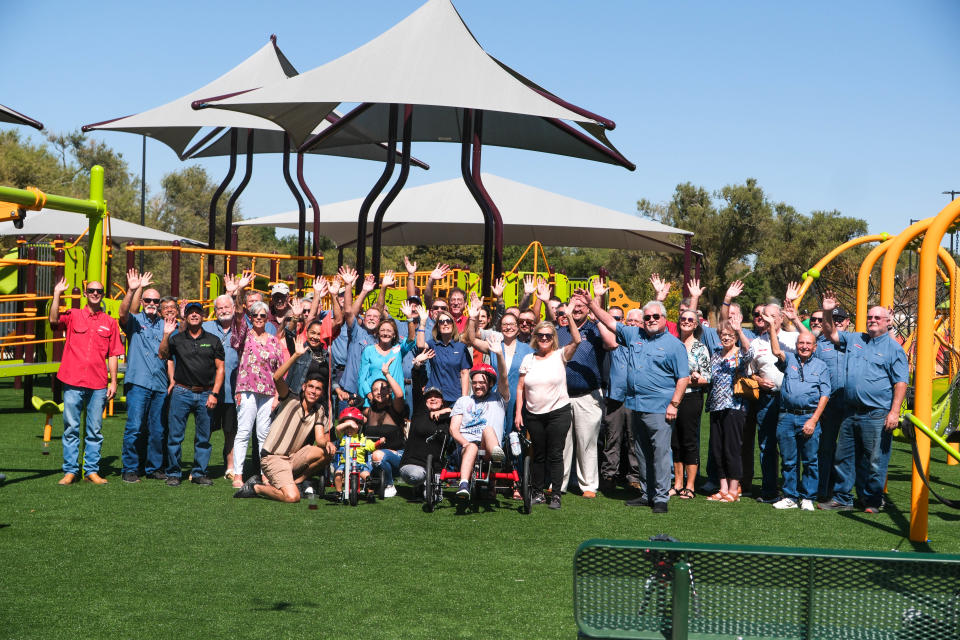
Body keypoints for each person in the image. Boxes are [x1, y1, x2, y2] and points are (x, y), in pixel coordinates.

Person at [585, 294, 690, 514]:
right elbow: (610, 322)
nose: (651, 319)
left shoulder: (674, 345)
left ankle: (661, 497)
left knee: (660, 454)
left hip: (660, 409)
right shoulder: (635, 334)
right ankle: (646, 493)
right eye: (647, 316)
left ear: (664, 318)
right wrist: (593, 305)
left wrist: (674, 404)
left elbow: (683, 378)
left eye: (655, 316)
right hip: (635, 405)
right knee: (641, 452)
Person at [818, 292, 908, 513]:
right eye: (870, 317)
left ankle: (872, 500)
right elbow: (829, 332)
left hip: (876, 413)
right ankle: (842, 497)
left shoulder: (894, 348)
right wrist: (828, 311)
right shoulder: (856, 339)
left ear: (888, 322)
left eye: (878, 317)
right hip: (850, 411)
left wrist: (894, 412)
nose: (873, 320)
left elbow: (901, 383)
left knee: (875, 460)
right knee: (844, 457)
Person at [723, 280, 802, 503]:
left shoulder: (793, 338)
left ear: (780, 318)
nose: (765, 319)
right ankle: (769, 490)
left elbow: (812, 339)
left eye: (770, 316)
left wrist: (793, 314)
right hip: (767, 399)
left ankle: (791, 492)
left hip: (789, 399)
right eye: (762, 315)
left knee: (789, 446)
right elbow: (749, 371)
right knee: (766, 445)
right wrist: (759, 379)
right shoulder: (757, 342)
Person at [234, 337, 336, 502]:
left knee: (326, 452)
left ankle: (298, 481)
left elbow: (319, 438)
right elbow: (277, 377)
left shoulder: (319, 411)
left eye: (318, 389)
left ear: (321, 393)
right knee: (292, 497)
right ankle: (256, 486)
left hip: (292, 458)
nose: (313, 391)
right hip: (273, 457)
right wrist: (296, 356)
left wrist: (327, 443)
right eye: (310, 387)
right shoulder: (290, 399)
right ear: (304, 387)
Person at [50, 277, 123, 485]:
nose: (95, 293)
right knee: (71, 427)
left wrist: (114, 382)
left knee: (95, 430)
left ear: (103, 295)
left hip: (98, 383)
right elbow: (54, 320)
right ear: (85, 293)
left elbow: (113, 354)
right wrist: (57, 294)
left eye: (99, 291)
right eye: (91, 290)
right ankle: (70, 471)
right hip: (72, 380)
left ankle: (91, 470)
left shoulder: (110, 322)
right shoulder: (73, 315)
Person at [550, 283, 616, 498]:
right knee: (562, 442)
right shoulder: (558, 331)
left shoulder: (595, 329)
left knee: (587, 442)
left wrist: (596, 310)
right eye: (573, 306)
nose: (577, 309)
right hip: (560, 396)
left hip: (588, 395)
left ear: (588, 308)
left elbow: (611, 343)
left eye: (581, 306)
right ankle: (559, 482)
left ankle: (588, 485)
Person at [515, 307, 582, 510]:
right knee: (538, 455)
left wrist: (569, 316)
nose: (544, 338)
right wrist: (519, 412)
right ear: (535, 337)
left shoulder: (560, 355)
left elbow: (577, 340)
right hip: (534, 414)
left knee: (555, 453)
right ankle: (537, 492)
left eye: (548, 336)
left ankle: (555, 495)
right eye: (541, 335)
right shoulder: (528, 358)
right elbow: (520, 389)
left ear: (553, 338)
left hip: (558, 413)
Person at [769, 303, 831, 511]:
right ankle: (789, 496)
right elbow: (776, 350)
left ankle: (807, 497)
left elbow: (825, 395)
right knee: (788, 460)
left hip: (808, 417)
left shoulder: (821, 366)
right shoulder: (791, 360)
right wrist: (772, 325)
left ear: (814, 347)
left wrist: (813, 420)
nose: (804, 346)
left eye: (808, 344)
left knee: (810, 460)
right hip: (787, 417)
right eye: (801, 343)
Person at [159, 302, 225, 486]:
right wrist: (166, 335)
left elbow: (221, 369)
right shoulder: (177, 339)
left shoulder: (213, 340)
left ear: (203, 316)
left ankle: (199, 473)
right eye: (191, 313)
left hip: (205, 393)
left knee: (204, 437)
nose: (194, 315)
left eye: (198, 312)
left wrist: (215, 393)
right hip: (181, 392)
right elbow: (164, 355)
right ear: (186, 317)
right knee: (175, 436)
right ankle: (173, 473)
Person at [231, 297, 288, 488]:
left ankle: (265, 474)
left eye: (262, 315)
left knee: (264, 434)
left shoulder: (274, 341)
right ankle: (238, 474)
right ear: (251, 316)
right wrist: (238, 293)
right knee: (244, 431)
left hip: (269, 392)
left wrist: (278, 396)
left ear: (266, 318)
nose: (258, 318)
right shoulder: (244, 336)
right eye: (255, 315)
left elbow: (281, 371)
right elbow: (238, 318)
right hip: (247, 389)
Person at [118, 269, 168, 483]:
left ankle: (154, 467)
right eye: (147, 299)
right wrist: (132, 289)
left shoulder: (166, 324)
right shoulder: (134, 321)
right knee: (135, 427)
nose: (151, 303)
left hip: (159, 384)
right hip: (137, 383)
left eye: (155, 301)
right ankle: (130, 468)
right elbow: (123, 312)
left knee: (157, 430)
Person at [450, 354, 510, 500]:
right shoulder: (463, 401)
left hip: (488, 446)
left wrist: (499, 354)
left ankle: (496, 460)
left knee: (488, 429)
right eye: (474, 382)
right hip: (466, 446)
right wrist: (465, 443)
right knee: (472, 447)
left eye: (481, 382)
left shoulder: (499, 398)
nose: (477, 386)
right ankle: (463, 484)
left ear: (490, 383)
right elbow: (453, 429)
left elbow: (503, 377)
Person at [704, 323, 752, 502]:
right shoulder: (716, 355)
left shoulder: (740, 354)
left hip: (734, 406)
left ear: (736, 337)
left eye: (729, 335)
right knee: (718, 449)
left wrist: (739, 329)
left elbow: (750, 352)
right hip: (716, 407)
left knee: (732, 449)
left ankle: (734, 489)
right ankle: (723, 487)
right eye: (723, 334)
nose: (726, 337)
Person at [398, 350, 450, 498]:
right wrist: (417, 365)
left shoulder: (447, 417)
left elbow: (464, 410)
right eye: (429, 397)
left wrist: (444, 411)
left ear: (442, 401)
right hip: (414, 464)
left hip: (436, 468)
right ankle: (420, 484)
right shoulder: (420, 412)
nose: (433, 399)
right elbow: (416, 387)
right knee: (417, 476)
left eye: (437, 397)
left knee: (435, 497)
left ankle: (428, 485)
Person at [600, 306, 641, 493]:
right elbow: (605, 330)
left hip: (636, 398)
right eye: (629, 320)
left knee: (634, 439)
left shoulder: (643, 344)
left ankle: (635, 476)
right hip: (615, 398)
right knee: (613, 438)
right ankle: (609, 474)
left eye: (636, 321)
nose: (632, 324)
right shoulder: (616, 341)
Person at [672, 308, 711, 499]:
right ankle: (677, 483)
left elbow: (707, 378)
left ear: (696, 325)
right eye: (683, 319)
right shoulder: (673, 344)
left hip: (691, 397)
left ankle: (690, 485)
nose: (686, 321)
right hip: (672, 398)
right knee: (675, 441)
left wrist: (692, 378)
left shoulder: (700, 348)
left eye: (690, 319)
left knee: (689, 441)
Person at [203, 291, 241, 481]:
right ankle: (199, 467)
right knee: (205, 429)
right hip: (209, 390)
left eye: (227, 307)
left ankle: (230, 467)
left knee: (230, 431)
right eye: (220, 308)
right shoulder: (206, 327)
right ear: (215, 311)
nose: (224, 310)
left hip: (232, 390)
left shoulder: (242, 328)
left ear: (233, 309)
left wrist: (237, 291)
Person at [811, 306, 846, 501]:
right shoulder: (819, 343)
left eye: (840, 319)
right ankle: (824, 490)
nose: (837, 322)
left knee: (849, 450)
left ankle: (846, 492)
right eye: (834, 319)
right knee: (825, 448)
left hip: (849, 402)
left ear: (847, 321)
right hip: (827, 404)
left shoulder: (857, 341)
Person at [363, 358, 408, 498]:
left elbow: (399, 395)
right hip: (372, 457)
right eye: (375, 390)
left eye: (383, 388)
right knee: (360, 468)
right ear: (371, 394)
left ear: (389, 390)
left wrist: (387, 374)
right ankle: (369, 484)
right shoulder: (368, 412)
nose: (379, 392)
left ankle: (389, 484)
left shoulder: (395, 409)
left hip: (397, 457)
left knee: (378, 455)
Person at [414, 304, 471, 405]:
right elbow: (420, 344)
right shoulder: (433, 344)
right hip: (433, 396)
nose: (445, 324)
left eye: (448, 321)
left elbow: (464, 373)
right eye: (441, 322)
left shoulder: (461, 347)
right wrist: (422, 322)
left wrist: (464, 398)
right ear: (438, 327)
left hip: (454, 397)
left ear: (453, 325)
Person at [330, 407, 384, 496]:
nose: (349, 429)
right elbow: (338, 428)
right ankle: (338, 492)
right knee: (337, 475)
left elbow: (372, 446)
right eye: (347, 427)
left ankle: (370, 492)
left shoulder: (362, 439)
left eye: (352, 427)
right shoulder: (343, 438)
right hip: (344, 464)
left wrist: (379, 442)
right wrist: (350, 424)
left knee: (367, 477)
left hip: (360, 464)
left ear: (359, 426)